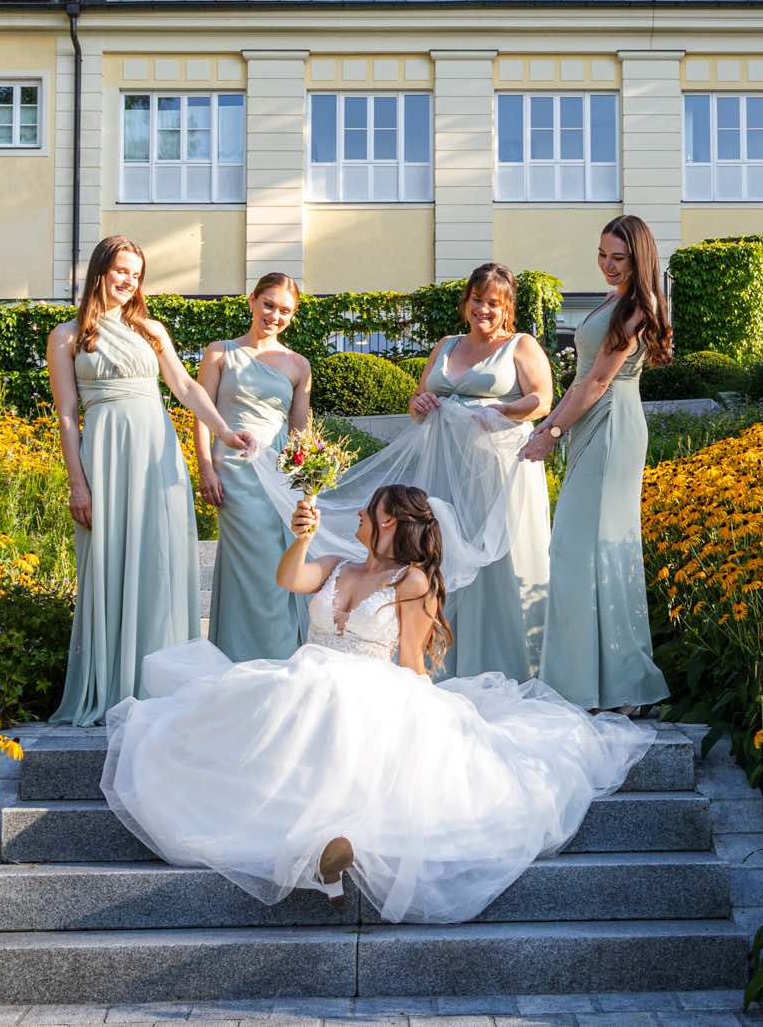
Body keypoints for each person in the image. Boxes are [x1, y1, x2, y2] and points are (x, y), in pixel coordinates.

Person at [100, 485, 653, 923]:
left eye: (368, 511)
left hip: (368, 685)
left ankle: (334, 842)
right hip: (304, 676)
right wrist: (301, 537)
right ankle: (317, 842)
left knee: (342, 716)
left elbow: (410, 656)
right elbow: (290, 578)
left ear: (389, 522)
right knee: (276, 709)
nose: (359, 517)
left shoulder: (413, 581)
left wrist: (432, 717)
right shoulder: (336, 564)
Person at [47, 235, 255, 726]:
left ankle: (163, 683)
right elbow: (67, 415)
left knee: (162, 560)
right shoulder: (67, 335)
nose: (129, 281)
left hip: (157, 456)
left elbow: (185, 387)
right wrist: (78, 484)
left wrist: (224, 431)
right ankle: (113, 685)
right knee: (109, 564)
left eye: (136, 274)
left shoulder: (150, 329)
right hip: (105, 457)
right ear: (100, 270)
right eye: (122, 270)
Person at [527, 215, 674, 713]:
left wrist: (551, 434)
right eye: (602, 255)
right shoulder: (613, 300)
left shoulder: (637, 308)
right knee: (579, 547)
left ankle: (614, 685)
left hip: (612, 424)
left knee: (593, 547)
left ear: (639, 259)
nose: (608, 266)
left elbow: (597, 382)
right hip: (591, 420)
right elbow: (580, 380)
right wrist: (550, 424)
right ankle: (588, 681)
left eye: (619, 258)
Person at [406, 265, 556, 679]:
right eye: (477, 300)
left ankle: (506, 666)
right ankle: (443, 664)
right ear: (466, 302)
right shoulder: (446, 345)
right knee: (443, 554)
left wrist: (503, 410)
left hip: (497, 470)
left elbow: (543, 400)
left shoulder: (520, 346)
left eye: (494, 302)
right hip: (443, 468)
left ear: (507, 308)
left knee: (496, 562)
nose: (483, 310)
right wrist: (419, 405)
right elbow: (419, 401)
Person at [194, 273, 314, 663]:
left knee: (278, 561)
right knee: (249, 564)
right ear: (252, 300)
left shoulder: (298, 365)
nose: (275, 316)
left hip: (279, 476)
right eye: (269, 305)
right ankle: (239, 657)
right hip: (234, 472)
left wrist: (306, 487)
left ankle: (280, 657)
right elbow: (202, 414)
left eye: (285, 311)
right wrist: (206, 468)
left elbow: (299, 432)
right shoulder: (220, 352)